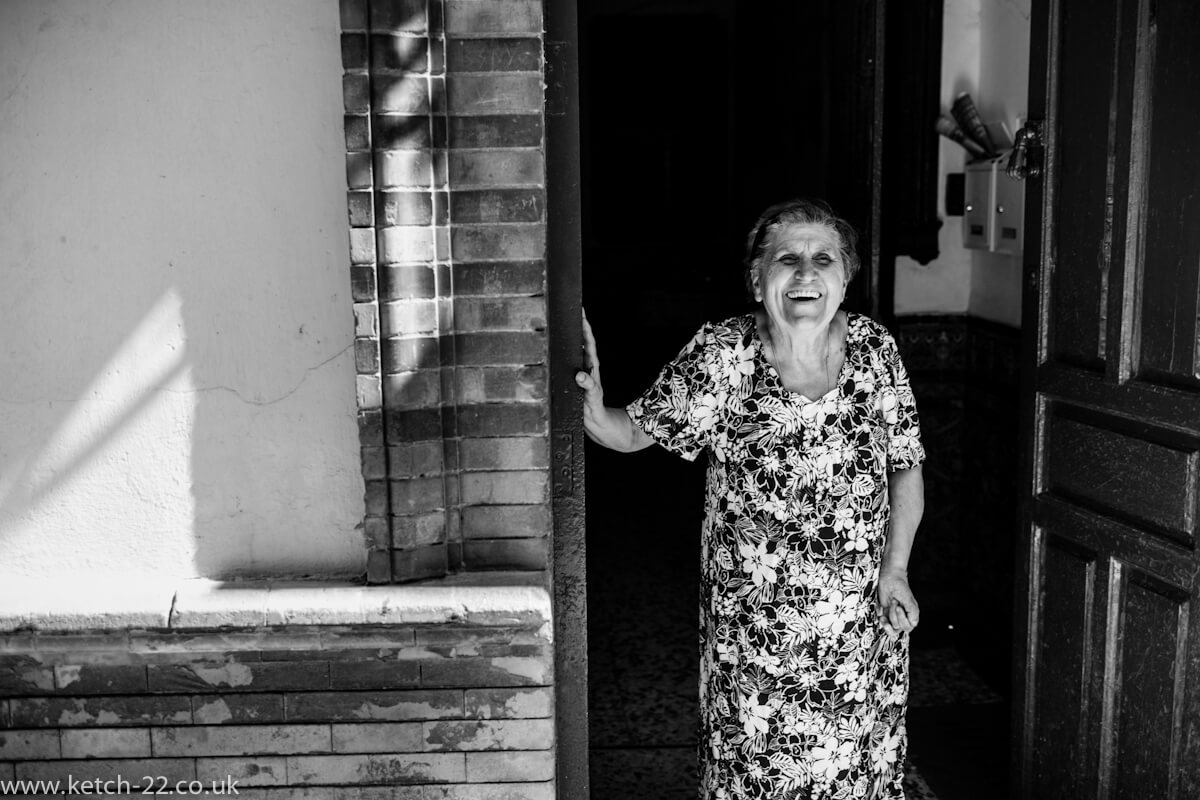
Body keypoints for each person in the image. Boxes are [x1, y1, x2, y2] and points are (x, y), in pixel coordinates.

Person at [575, 198, 925, 799]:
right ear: (757, 278)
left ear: (846, 276)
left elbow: (906, 470)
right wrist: (588, 398)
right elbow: (629, 432)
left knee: (854, 774)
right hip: (755, 628)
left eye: (824, 259)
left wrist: (896, 572)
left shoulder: (874, 350)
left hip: (856, 626)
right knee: (754, 772)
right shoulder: (724, 352)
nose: (806, 273)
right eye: (787, 258)